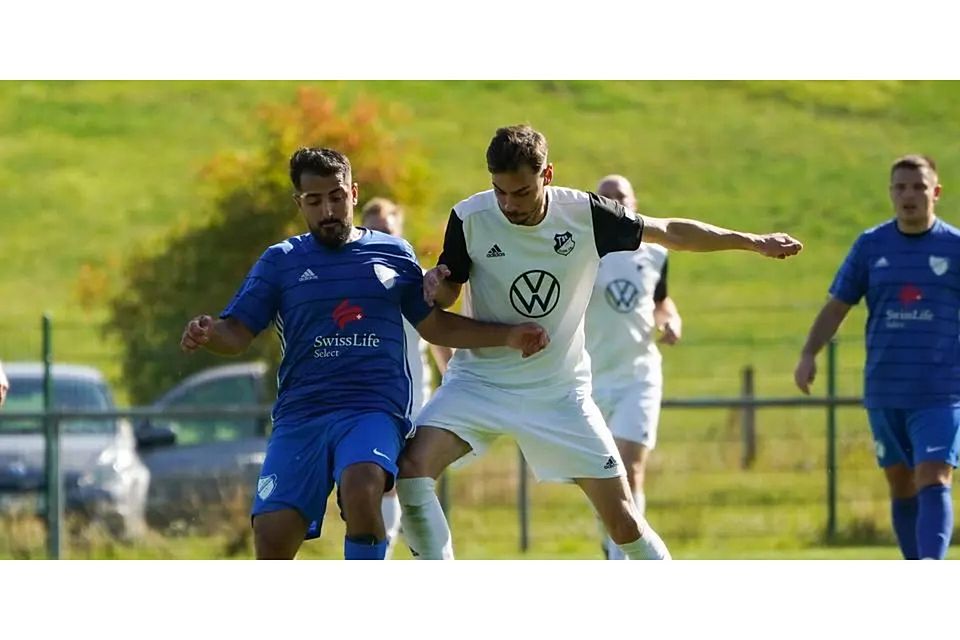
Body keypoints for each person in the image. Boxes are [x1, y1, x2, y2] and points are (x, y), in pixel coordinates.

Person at [396, 124, 803, 560]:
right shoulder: (470, 217)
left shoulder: (586, 214)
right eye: (500, 192)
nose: (509, 205)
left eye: (521, 192)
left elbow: (670, 232)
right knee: (411, 472)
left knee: (624, 521)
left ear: (547, 175)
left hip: (559, 392)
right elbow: (450, 290)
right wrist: (436, 284)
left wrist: (753, 242)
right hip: (480, 383)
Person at [179, 147, 549, 560]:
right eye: (315, 201)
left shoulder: (393, 253)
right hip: (303, 415)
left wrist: (508, 335)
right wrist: (208, 333)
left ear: (353, 193)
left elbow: (434, 325)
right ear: (299, 203)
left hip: (372, 408)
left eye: (337, 197)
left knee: (362, 485)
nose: (328, 210)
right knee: (271, 535)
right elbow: (236, 333)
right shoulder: (280, 262)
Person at [794, 154, 960, 560]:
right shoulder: (871, 246)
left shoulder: (955, 248)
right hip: (886, 388)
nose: (909, 195)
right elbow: (837, 305)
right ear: (891, 193)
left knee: (933, 476)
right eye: (901, 187)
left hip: (941, 390)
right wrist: (809, 353)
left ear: (935, 192)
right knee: (901, 484)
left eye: (919, 187)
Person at [585, 174, 682, 560]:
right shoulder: (582, 251)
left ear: (635, 201)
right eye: (605, 197)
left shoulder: (655, 253)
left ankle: (627, 560)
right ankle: (614, 544)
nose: (615, 202)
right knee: (603, 479)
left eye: (621, 195)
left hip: (638, 376)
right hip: (590, 378)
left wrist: (670, 320)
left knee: (630, 468)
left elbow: (661, 301)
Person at [360, 197, 454, 559]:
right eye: (373, 230)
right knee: (384, 481)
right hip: (372, 396)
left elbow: (439, 337)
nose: (381, 236)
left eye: (387, 229)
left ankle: (397, 550)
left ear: (399, 231)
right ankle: (393, 549)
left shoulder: (416, 281)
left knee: (402, 481)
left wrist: (456, 382)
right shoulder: (355, 282)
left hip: (414, 397)